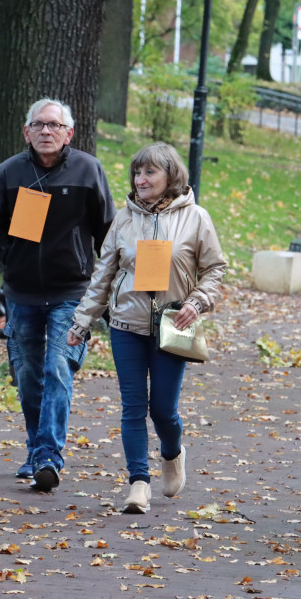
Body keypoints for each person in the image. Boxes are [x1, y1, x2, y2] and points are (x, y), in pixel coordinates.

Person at [68, 143, 227, 514]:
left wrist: (197, 302)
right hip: (126, 322)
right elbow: (103, 275)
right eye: (137, 173)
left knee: (163, 411)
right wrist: (82, 321)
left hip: (174, 325)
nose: (140, 180)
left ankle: (172, 452)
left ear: (170, 175)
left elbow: (215, 268)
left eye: (149, 172)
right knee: (133, 406)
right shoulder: (123, 219)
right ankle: (139, 483)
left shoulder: (196, 217)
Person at [0, 98, 115, 492]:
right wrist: (11, 257)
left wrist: (102, 283)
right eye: (38, 125)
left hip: (71, 290)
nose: (46, 131)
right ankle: (38, 450)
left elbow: (107, 229)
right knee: (27, 374)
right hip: (21, 293)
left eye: (54, 125)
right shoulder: (10, 171)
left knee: (57, 366)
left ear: (68, 132)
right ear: (26, 132)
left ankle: (48, 457)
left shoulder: (88, 170)